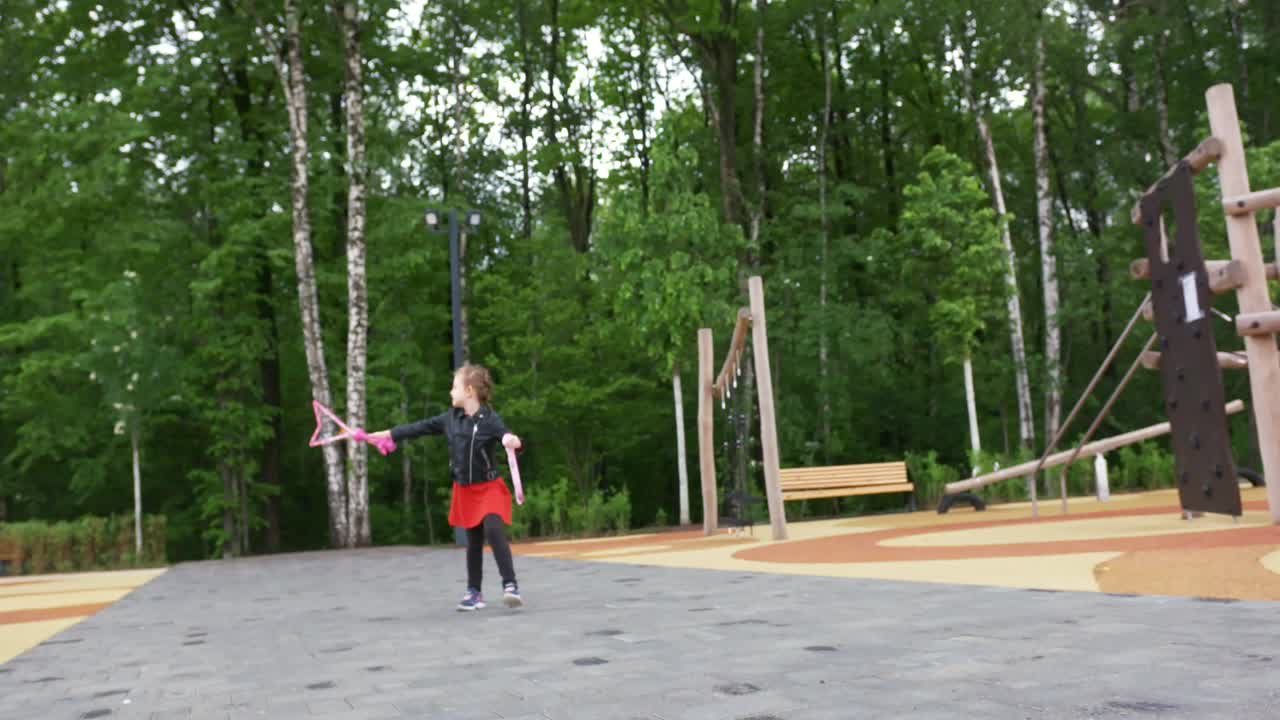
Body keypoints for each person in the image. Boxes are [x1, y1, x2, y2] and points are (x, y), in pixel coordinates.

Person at [369, 364, 524, 611]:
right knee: (473, 541)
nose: (451, 392)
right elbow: (418, 427)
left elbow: (506, 436)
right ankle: (474, 593)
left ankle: (511, 586)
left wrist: (512, 440)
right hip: (465, 490)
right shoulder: (450, 419)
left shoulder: (490, 419)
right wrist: (387, 434)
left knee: (494, 530)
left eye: (454, 387)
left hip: (489, 487)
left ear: (470, 391)